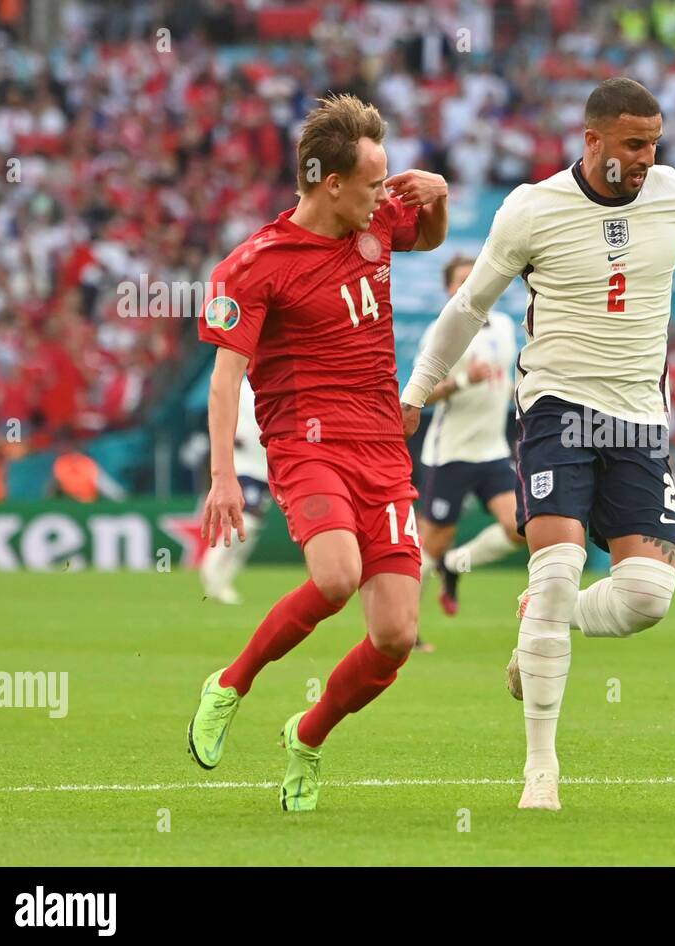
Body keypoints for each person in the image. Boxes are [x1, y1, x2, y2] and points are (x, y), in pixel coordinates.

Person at [399, 78, 675, 811]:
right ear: (592, 141)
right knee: (558, 569)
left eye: (655, 142)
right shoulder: (532, 209)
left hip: (639, 424)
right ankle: (540, 772)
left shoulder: (674, 195)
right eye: (634, 143)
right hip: (557, 411)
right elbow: (468, 308)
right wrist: (416, 391)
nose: (648, 156)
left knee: (646, 600)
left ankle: (540, 618)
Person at [188, 94, 448, 811]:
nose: (385, 196)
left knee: (396, 635)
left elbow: (424, 237)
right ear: (331, 183)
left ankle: (307, 735)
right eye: (374, 183)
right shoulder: (255, 265)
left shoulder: (378, 221)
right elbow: (225, 378)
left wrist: (440, 199)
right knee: (336, 577)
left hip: (384, 448)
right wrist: (222, 479)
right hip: (308, 444)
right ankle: (231, 683)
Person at [416, 255, 525, 618]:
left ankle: (456, 564)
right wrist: (464, 381)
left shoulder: (505, 326)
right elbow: (419, 393)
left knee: (521, 527)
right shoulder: (441, 333)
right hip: (452, 452)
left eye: (472, 278)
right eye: (460, 280)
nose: (468, 286)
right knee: (430, 546)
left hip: (491, 450)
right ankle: (402, 630)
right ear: (448, 289)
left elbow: (507, 378)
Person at [198, 375, 267, 605]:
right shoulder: (239, 387)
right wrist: (231, 437)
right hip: (243, 465)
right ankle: (211, 568)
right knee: (245, 523)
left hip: (267, 466)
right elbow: (218, 411)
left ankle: (223, 580)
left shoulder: (272, 386)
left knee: (251, 528)